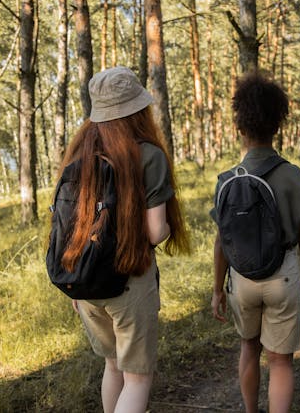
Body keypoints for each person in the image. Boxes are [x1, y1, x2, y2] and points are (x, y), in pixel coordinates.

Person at [59, 66, 190, 413]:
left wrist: (78, 281)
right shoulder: (149, 155)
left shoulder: (79, 154)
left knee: (112, 366)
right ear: (138, 111)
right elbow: (154, 231)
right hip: (129, 283)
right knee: (137, 378)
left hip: (85, 282)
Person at [211, 71, 300, 413]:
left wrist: (217, 289)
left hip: (242, 280)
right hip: (282, 278)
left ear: (240, 128)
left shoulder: (227, 180)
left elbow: (220, 243)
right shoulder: (292, 175)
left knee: (248, 349)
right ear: (277, 125)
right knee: (280, 362)